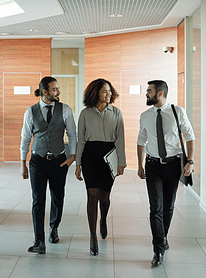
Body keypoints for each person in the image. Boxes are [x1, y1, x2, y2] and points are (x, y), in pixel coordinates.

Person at [137, 80, 195, 266]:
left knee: (169, 206)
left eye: (149, 91)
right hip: (153, 164)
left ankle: (163, 237)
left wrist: (190, 161)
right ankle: (158, 249)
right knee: (156, 207)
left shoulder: (178, 111)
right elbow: (141, 141)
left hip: (173, 165)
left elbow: (190, 136)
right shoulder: (145, 115)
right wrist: (139, 165)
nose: (146, 94)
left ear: (160, 93)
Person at [20, 76, 77, 254]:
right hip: (37, 161)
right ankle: (39, 241)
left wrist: (72, 157)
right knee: (38, 200)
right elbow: (26, 138)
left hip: (59, 161)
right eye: (55, 89)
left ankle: (54, 228)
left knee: (57, 197)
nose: (58, 92)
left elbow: (72, 134)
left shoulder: (65, 110)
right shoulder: (30, 112)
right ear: (45, 92)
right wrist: (23, 163)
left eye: (58, 89)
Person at [75, 78, 126, 256]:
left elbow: (120, 139)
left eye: (110, 92)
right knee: (92, 194)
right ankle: (92, 236)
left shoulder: (116, 112)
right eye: (105, 91)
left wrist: (121, 163)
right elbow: (80, 139)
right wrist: (78, 164)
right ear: (95, 92)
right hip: (90, 156)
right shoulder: (85, 113)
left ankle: (103, 219)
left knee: (104, 195)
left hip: (109, 156)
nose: (108, 95)